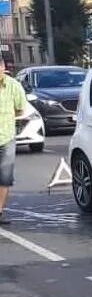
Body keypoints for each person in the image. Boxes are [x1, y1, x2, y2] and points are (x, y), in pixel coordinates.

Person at [0, 57, 28, 224]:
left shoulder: (13, 86)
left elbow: (20, 109)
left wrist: (8, 119)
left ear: (3, 67)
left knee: (4, 177)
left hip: (6, 137)